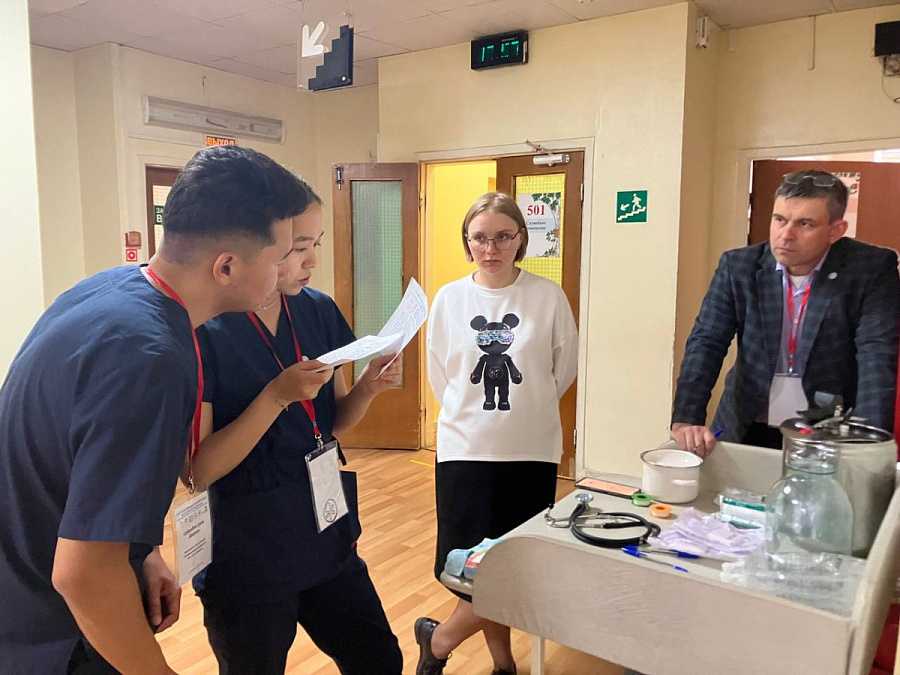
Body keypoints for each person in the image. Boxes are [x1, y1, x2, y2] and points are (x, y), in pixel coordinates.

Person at [0, 145, 308, 674]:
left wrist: (139, 551)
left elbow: (78, 465)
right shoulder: (148, 358)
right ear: (227, 266)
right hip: (60, 637)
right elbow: (83, 575)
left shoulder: (110, 290)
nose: (286, 270)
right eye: (279, 257)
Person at [190, 186, 403, 675]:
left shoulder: (317, 309)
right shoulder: (205, 330)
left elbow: (333, 421)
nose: (312, 261)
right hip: (249, 546)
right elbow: (199, 471)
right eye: (298, 247)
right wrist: (276, 397)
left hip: (325, 527)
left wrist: (368, 389)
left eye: (316, 244)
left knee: (379, 659)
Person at [416, 192, 578, 675]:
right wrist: (476, 418)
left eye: (503, 237)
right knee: (472, 568)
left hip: (531, 450)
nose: (491, 248)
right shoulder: (449, 299)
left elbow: (561, 371)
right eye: (480, 238)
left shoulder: (547, 296)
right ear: (467, 242)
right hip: (466, 450)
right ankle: (504, 664)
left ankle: (439, 639)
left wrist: (523, 411)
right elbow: (441, 376)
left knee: (513, 567)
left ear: (521, 239)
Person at [671, 170, 900, 457]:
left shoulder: (869, 269)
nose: (786, 235)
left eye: (804, 224)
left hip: (827, 427)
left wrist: (869, 443)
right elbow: (707, 342)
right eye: (779, 220)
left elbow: (876, 353)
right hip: (746, 419)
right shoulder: (739, 267)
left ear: (836, 230)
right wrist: (687, 418)